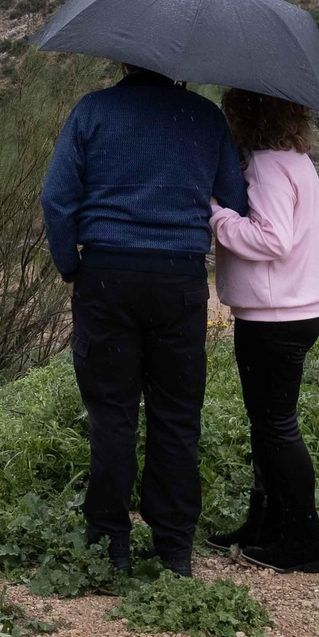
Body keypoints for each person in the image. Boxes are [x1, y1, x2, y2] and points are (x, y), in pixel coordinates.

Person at [42, 65, 248, 576]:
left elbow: (57, 198)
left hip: (107, 276)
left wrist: (71, 265)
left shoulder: (93, 111)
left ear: (127, 59)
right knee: (177, 417)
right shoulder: (205, 117)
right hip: (178, 282)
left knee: (112, 414)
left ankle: (110, 543)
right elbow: (236, 202)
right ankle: (175, 548)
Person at [207, 88, 319, 574]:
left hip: (274, 315)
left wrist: (218, 216)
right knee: (269, 425)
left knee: (276, 427)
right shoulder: (298, 160)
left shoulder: (264, 164)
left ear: (245, 115)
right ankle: (264, 524)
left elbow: (272, 239)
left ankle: (304, 542)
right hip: (298, 309)